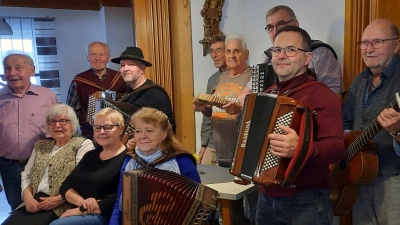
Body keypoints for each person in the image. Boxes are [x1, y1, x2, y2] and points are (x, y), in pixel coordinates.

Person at [253, 26, 345, 225]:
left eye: (291, 49)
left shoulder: (321, 95)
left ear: (308, 58)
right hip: (265, 198)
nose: (282, 55)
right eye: (277, 50)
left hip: (306, 201)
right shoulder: (268, 94)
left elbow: (337, 149)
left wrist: (301, 148)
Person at [343, 19, 400, 225]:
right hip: (359, 177)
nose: (368, 49)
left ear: (396, 45)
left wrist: (397, 132)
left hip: (393, 178)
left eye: (377, 42)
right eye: (364, 43)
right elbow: (346, 124)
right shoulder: (360, 81)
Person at [194, 32, 253, 225]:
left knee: (252, 204)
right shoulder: (220, 78)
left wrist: (239, 111)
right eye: (228, 51)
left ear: (246, 54)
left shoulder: (253, 77)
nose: (231, 55)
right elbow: (213, 113)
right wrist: (204, 109)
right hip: (221, 149)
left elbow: (257, 113)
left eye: (236, 51)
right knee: (228, 207)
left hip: (244, 151)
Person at [2, 104, 95, 225]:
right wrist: (27, 197)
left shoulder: (83, 145)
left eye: (63, 121)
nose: (57, 125)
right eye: (52, 121)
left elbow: (82, 178)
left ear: (72, 123)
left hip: (64, 203)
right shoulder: (40, 145)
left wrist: (60, 198)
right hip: (34, 200)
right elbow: (26, 174)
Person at [109, 107, 200, 225]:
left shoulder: (181, 161)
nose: (142, 136)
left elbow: (198, 203)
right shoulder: (129, 161)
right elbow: (120, 203)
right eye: (138, 131)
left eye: (149, 130)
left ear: (164, 134)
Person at [241, 5, 344, 105]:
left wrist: (294, 115)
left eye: (281, 24)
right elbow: (246, 92)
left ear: (295, 24)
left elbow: (334, 99)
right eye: (270, 27)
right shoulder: (267, 56)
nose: (276, 31)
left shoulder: (320, 54)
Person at [49, 108, 127, 225]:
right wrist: (83, 203)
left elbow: (119, 198)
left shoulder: (127, 159)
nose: (101, 132)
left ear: (121, 129)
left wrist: (81, 210)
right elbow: (65, 186)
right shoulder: (91, 155)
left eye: (107, 127)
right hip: (83, 208)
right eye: (97, 127)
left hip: (107, 215)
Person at [0, 53, 58, 210]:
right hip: (9, 167)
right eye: (7, 68)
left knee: (46, 206)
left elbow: (59, 131)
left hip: (43, 163)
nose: (12, 73)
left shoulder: (47, 96)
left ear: (32, 70)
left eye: (18, 68)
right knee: (18, 209)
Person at [66, 42, 129, 140]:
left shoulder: (121, 79)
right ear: (88, 57)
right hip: (88, 136)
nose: (97, 58)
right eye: (93, 54)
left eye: (101, 55)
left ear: (108, 57)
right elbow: (71, 113)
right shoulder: (79, 81)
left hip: (117, 136)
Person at [111, 46, 176, 132]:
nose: (125, 69)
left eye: (131, 64)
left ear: (142, 69)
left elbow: (169, 127)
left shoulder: (155, 93)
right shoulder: (123, 93)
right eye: (122, 65)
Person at [198, 35, 228, 164]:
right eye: (212, 51)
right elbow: (208, 116)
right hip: (213, 142)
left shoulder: (245, 76)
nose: (214, 55)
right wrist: (204, 144)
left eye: (219, 50)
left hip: (233, 142)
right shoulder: (212, 80)